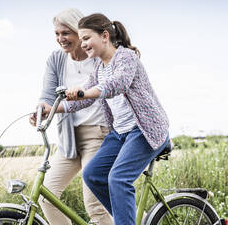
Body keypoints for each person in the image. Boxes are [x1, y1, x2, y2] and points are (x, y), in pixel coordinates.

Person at [62, 13, 170, 225]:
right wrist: (55, 108)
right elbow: (84, 98)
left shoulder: (126, 57)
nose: (82, 44)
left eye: (85, 38)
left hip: (145, 130)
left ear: (104, 36)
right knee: (92, 175)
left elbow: (117, 84)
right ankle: (126, 219)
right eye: (81, 39)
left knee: (118, 179)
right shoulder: (98, 67)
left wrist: (84, 92)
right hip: (120, 133)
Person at [29, 9, 113, 225]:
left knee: (94, 204)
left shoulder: (98, 57)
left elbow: (104, 91)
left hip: (98, 134)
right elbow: (47, 95)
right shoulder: (57, 59)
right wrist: (40, 110)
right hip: (68, 139)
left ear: (80, 31)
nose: (60, 39)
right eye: (57, 34)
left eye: (66, 33)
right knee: (46, 194)